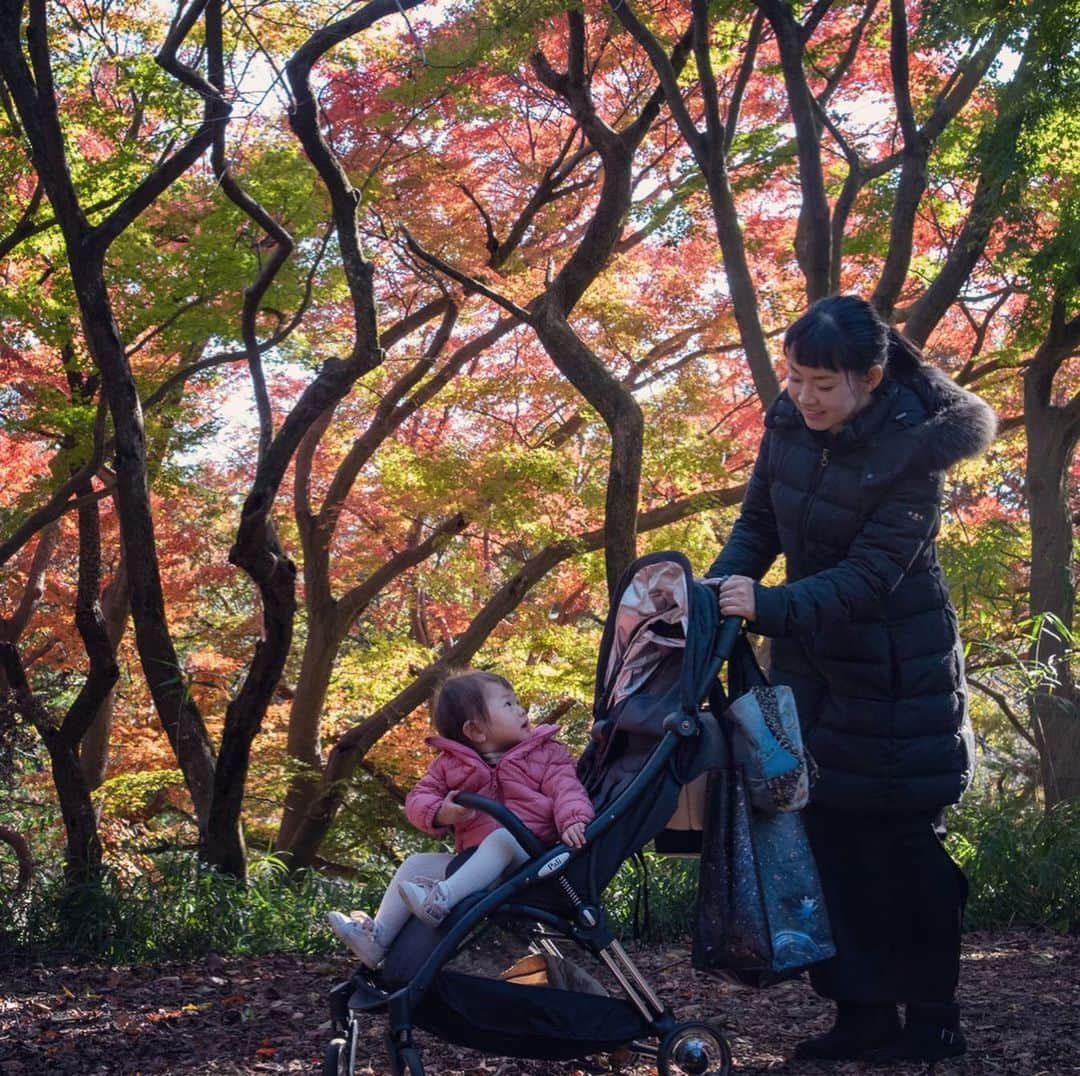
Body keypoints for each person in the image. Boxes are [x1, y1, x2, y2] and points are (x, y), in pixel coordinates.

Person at [707, 295, 995, 1063]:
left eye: (822, 385)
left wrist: (766, 606)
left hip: (902, 677)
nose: (804, 396)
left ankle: (933, 1016)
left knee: (905, 852)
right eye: (794, 377)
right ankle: (860, 1013)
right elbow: (759, 523)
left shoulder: (916, 451)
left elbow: (870, 577)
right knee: (827, 838)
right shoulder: (787, 421)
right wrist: (717, 597)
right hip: (811, 668)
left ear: (869, 378)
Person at [327, 669, 594, 967]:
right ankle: (378, 938)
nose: (521, 709)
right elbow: (418, 799)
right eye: (508, 704)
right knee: (415, 864)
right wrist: (441, 812)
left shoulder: (545, 754)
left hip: (530, 858)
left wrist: (573, 819)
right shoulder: (449, 765)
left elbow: (567, 789)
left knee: (502, 839)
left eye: (516, 701)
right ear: (476, 731)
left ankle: (442, 900)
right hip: (475, 865)